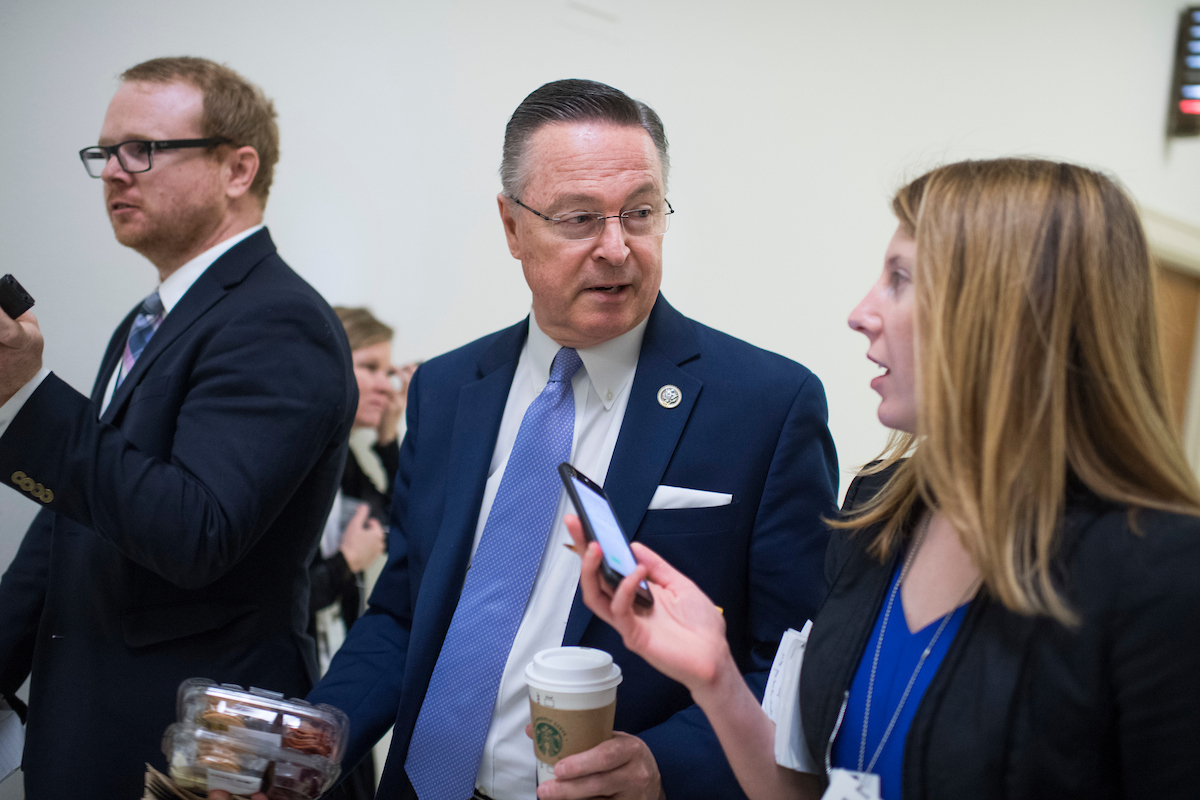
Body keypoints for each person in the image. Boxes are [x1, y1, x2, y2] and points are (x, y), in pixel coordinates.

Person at [571, 158, 1200, 800]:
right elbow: (810, 790)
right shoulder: (877, 514)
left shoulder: (1162, 574)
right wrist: (716, 677)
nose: (861, 312)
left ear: (1008, 317)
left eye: (900, 279)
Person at [307, 79, 838, 800]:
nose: (617, 248)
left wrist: (662, 765)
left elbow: (789, 668)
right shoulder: (448, 388)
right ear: (512, 225)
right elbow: (405, 611)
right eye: (580, 218)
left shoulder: (765, 406)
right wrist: (310, 740)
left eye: (640, 213)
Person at [0, 57, 355, 797]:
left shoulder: (278, 320)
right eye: (105, 153)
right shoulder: (151, 318)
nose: (114, 173)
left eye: (144, 150)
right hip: (89, 721)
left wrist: (28, 395)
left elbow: (196, 531)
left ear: (237, 167)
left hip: (189, 751)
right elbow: (76, 521)